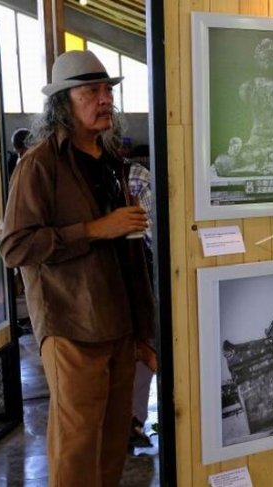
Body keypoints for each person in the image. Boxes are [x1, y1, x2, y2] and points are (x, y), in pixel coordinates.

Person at [0, 50, 155, 486]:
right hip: (72, 324)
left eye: (108, 90)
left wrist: (144, 329)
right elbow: (15, 247)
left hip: (120, 325)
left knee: (112, 442)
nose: (105, 99)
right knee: (77, 445)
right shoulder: (38, 165)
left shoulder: (111, 162)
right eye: (92, 91)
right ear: (64, 102)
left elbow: (129, 252)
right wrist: (94, 229)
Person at [213, 38, 273, 177]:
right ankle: (266, 163)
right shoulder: (247, 88)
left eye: (271, 57)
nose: (267, 61)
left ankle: (259, 164)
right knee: (222, 163)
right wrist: (236, 141)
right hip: (252, 146)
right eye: (263, 57)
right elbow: (236, 121)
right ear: (256, 59)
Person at [125, 145, 155, 449]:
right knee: (143, 349)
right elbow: (154, 237)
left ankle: (128, 421)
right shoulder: (135, 175)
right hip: (135, 282)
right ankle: (132, 422)